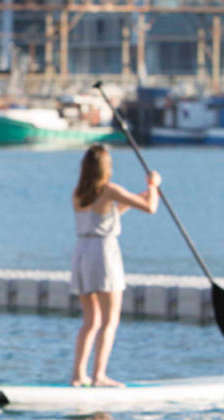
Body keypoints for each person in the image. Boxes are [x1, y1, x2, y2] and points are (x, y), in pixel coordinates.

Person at [70, 143, 161, 387]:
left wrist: (132, 200)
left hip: (82, 252)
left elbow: (104, 217)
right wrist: (153, 185)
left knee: (90, 321)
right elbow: (151, 208)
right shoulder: (110, 189)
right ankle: (99, 376)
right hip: (103, 253)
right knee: (109, 320)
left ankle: (78, 375)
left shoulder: (78, 193)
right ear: (106, 168)